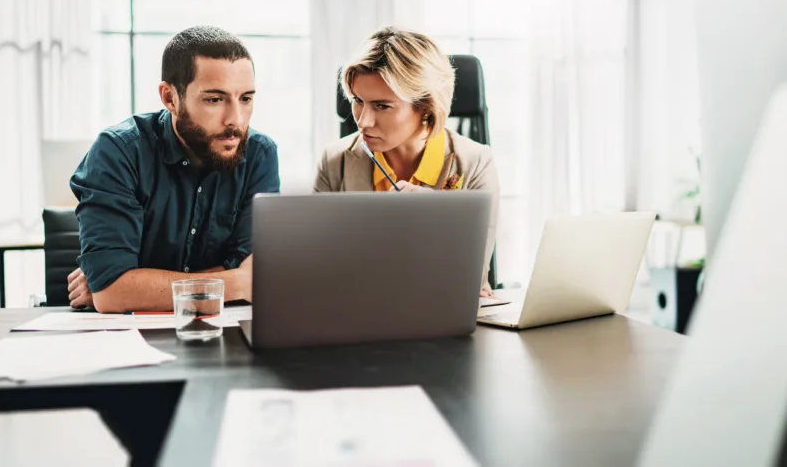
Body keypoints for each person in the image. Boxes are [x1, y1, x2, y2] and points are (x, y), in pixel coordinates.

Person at [67, 26, 280, 312]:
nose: (236, 120)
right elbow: (112, 292)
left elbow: (254, 270)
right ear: (170, 98)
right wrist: (237, 283)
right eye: (214, 100)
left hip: (218, 336)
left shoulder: (260, 154)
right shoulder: (118, 152)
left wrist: (139, 287)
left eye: (246, 98)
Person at [314, 27, 499, 297]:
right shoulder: (334, 162)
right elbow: (320, 274)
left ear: (426, 108)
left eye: (381, 106)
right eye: (357, 101)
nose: (362, 121)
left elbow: (471, 281)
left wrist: (436, 219)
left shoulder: (475, 162)